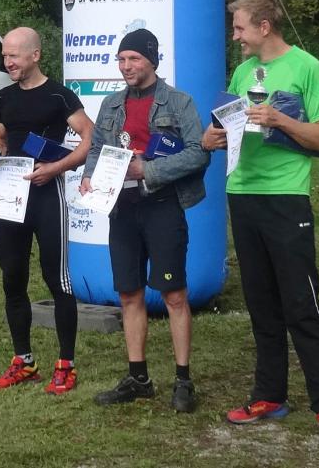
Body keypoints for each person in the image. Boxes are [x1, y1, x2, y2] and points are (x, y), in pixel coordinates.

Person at [201, 0, 319, 441]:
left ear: (264, 27)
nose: (235, 36)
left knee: (301, 305)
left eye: (240, 28)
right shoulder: (243, 72)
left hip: (286, 197)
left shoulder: (306, 66)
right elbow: (230, 127)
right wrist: (213, 137)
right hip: (242, 194)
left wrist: (280, 120)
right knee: (261, 303)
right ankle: (270, 394)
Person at [81, 29, 209, 413]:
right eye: (121, 60)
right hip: (122, 209)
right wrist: (89, 176)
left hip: (162, 206)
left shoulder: (179, 102)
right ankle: (138, 378)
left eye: (133, 59)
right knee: (128, 294)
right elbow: (98, 148)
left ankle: (183, 380)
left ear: (152, 59)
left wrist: (147, 170)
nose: (125, 66)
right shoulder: (111, 104)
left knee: (174, 295)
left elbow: (198, 154)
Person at [0, 26, 93, 394]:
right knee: (12, 278)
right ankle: (24, 361)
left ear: (35, 55)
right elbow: (1, 139)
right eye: (4, 56)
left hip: (47, 196)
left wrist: (56, 168)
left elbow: (90, 138)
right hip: (11, 198)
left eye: (14, 55)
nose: (8, 62)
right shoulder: (3, 97)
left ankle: (66, 364)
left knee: (57, 279)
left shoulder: (58, 96)